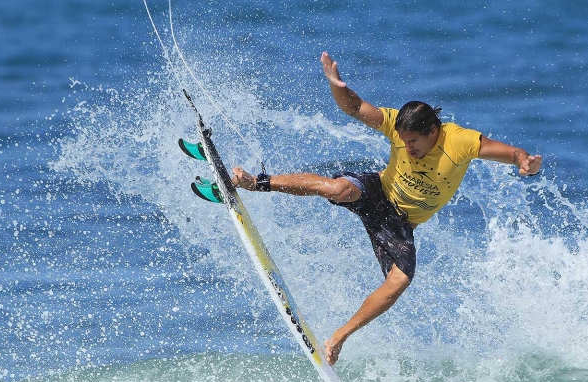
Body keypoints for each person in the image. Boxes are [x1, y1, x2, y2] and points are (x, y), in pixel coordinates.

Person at [232, 52, 542, 365]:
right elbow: (354, 107)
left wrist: (524, 162)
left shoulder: (460, 141)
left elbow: (510, 152)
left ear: (433, 131)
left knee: (400, 281)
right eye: (404, 141)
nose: (408, 149)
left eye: (414, 142)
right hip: (378, 191)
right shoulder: (396, 124)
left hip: (401, 222)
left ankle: (339, 336)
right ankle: (256, 183)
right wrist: (336, 85)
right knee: (340, 189)